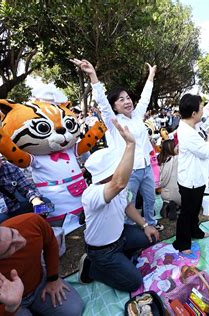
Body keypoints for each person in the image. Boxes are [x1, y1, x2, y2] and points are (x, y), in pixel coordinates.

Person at [73, 58, 164, 231]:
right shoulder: (114, 122)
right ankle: (129, 229)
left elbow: (145, 98)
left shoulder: (137, 116)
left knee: (150, 198)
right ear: (114, 106)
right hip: (128, 171)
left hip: (146, 167)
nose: (127, 102)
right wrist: (93, 75)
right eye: (121, 100)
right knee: (127, 202)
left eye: (128, 98)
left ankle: (151, 223)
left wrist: (151, 76)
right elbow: (102, 103)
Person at [78, 119, 159, 291]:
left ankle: (122, 259)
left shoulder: (115, 188)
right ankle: (92, 269)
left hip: (120, 236)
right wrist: (130, 144)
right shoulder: (93, 193)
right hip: (102, 251)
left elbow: (126, 204)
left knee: (149, 237)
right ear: (108, 174)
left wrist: (145, 225)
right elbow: (119, 184)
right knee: (133, 283)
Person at [0, 213, 84, 315]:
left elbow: (50, 241)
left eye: (12, 233)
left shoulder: (30, 222)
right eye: (10, 249)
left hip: (39, 284)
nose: (21, 241)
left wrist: (53, 278)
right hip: (3, 305)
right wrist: (11, 307)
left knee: (74, 310)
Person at [173, 87, 209, 254]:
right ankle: (182, 243)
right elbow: (206, 151)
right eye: (199, 109)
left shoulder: (191, 123)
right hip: (190, 180)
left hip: (197, 178)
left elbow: (205, 110)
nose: (202, 111)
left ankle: (195, 232)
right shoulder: (187, 133)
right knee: (187, 212)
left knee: (194, 210)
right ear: (193, 113)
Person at [158, 139, 181, 206]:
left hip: (165, 194)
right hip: (178, 195)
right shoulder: (178, 159)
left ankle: (168, 204)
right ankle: (174, 206)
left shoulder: (161, 161)